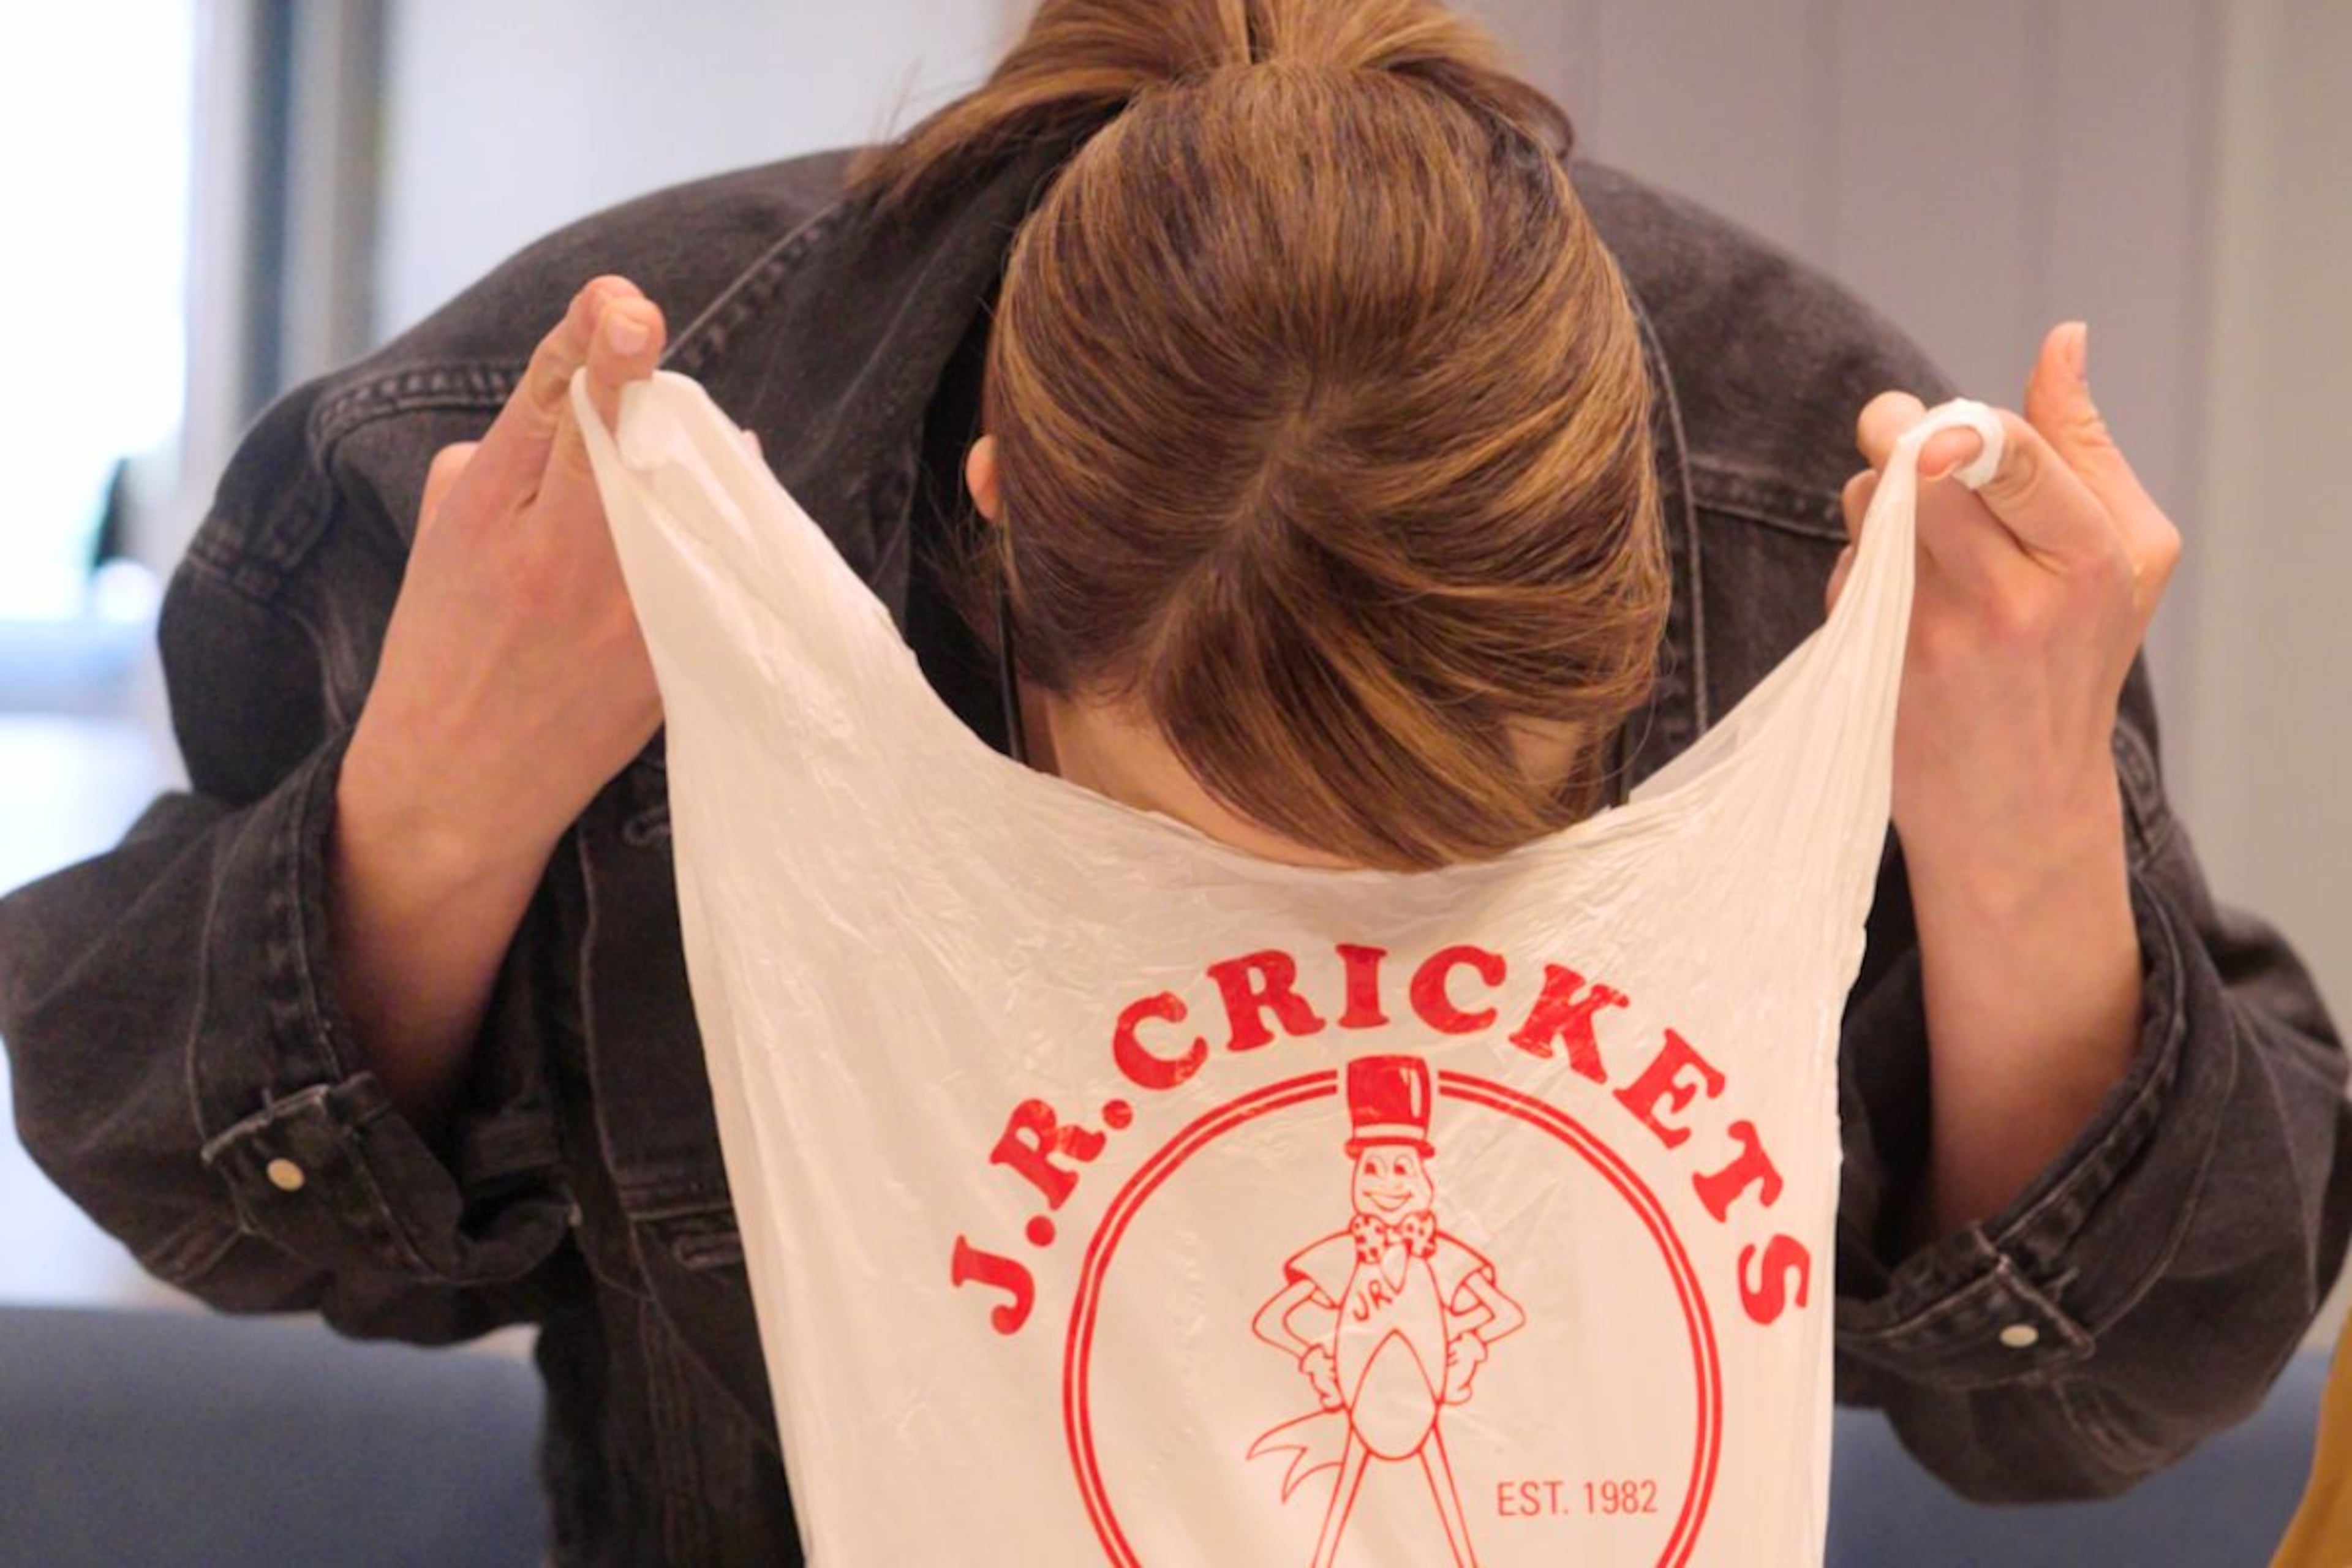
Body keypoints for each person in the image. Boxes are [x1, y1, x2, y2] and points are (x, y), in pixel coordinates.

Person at [2, 1, 2344, 1562]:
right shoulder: (590, 495)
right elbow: (230, 1216)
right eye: (1197, 865)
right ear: (998, 521)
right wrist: (437, 812)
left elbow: (2107, 1400)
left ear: (1648, 607)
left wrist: (2029, 846)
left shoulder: (1798, 534)